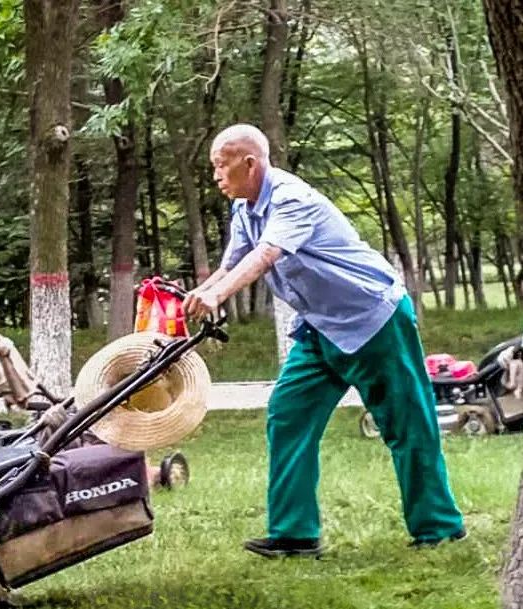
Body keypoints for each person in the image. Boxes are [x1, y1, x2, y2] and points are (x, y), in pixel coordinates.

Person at [183, 124, 465, 558]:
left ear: (249, 163)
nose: (216, 175)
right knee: (288, 413)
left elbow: (266, 256)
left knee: (407, 423)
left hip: (373, 320)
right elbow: (234, 261)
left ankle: (439, 527)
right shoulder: (245, 209)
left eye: (221, 166)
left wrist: (219, 294)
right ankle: (294, 533)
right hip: (320, 326)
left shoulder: (291, 198)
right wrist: (202, 293)